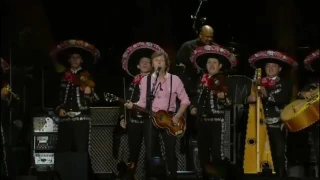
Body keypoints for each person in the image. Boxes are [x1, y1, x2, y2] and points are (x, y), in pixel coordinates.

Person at [124, 51, 190, 179]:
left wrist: (177, 115)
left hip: (170, 119)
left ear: (166, 63)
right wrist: (133, 105)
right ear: (153, 64)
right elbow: (143, 102)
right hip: (152, 118)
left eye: (161, 60)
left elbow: (185, 101)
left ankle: (173, 176)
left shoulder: (174, 79)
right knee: (149, 151)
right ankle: (150, 176)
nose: (159, 62)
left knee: (170, 151)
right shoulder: (146, 81)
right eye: (156, 60)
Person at [50, 39, 100, 179]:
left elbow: (96, 98)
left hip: (81, 118)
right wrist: (59, 108)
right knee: (63, 150)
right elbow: (55, 97)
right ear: (69, 60)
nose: (75, 59)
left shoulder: (88, 76)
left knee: (81, 151)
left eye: (77, 57)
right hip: (65, 119)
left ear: (82, 60)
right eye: (72, 57)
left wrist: (90, 93)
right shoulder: (62, 76)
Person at [189, 45, 237, 179]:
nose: (211, 65)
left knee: (217, 154)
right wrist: (192, 107)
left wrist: (223, 98)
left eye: (214, 62)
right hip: (201, 121)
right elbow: (193, 97)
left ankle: (220, 176)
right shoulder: (200, 80)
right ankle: (206, 176)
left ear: (220, 66)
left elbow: (230, 103)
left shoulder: (224, 80)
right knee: (203, 153)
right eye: (209, 62)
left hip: (217, 122)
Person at [247, 50, 298, 177]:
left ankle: (281, 176)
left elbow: (283, 99)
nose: (270, 68)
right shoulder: (256, 83)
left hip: (277, 125)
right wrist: (248, 99)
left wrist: (267, 95)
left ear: (279, 69)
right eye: (268, 66)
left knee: (279, 154)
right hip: (259, 125)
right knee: (261, 156)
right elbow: (248, 100)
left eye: (274, 66)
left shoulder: (286, 84)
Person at [118, 42, 163, 176]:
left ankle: (151, 176)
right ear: (138, 66)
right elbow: (124, 103)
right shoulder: (131, 83)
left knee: (152, 152)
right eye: (142, 62)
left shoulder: (157, 82)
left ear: (152, 66)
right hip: (134, 122)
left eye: (148, 62)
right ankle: (130, 176)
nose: (145, 64)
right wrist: (122, 118)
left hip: (150, 121)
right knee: (133, 153)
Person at [298, 49, 319, 176]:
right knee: (318, 152)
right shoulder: (313, 81)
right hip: (317, 122)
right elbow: (299, 93)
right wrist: (303, 93)